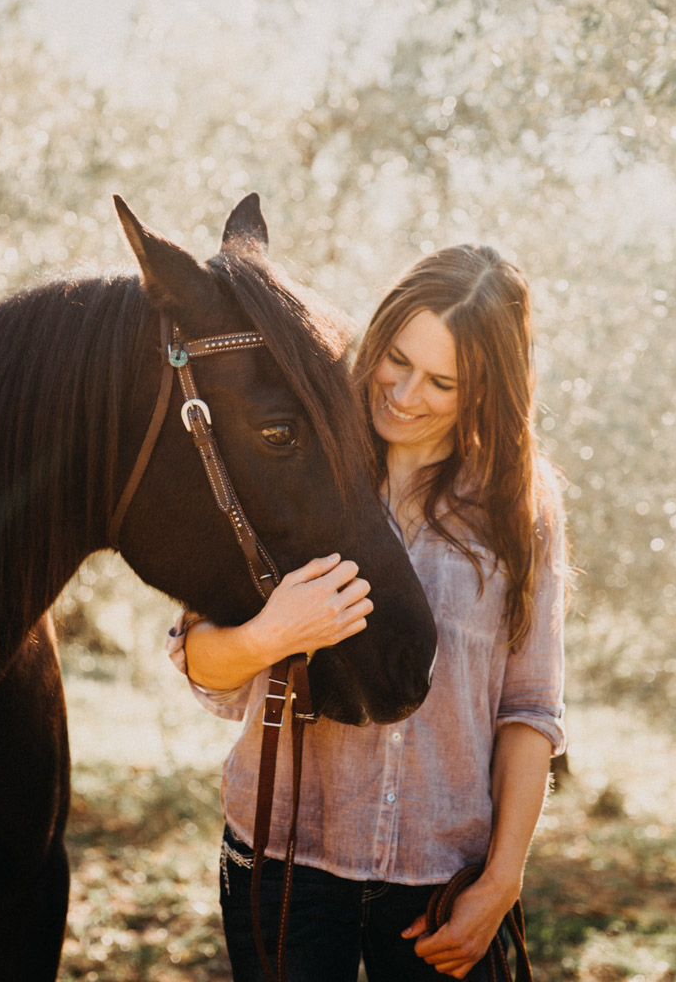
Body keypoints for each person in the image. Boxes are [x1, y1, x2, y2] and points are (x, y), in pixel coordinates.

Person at [166, 245, 567, 981]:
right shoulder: (291, 461)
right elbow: (198, 659)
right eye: (396, 359)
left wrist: (501, 880)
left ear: (486, 389)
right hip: (285, 871)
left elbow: (531, 710)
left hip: (442, 881)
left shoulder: (519, 507)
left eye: (442, 382)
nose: (405, 394)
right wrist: (271, 634)